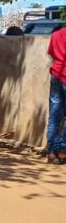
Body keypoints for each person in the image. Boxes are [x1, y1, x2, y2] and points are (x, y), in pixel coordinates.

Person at [45, 26, 66, 164]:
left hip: (56, 74)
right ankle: (62, 150)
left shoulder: (56, 35)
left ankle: (51, 152)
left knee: (54, 116)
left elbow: (51, 54)